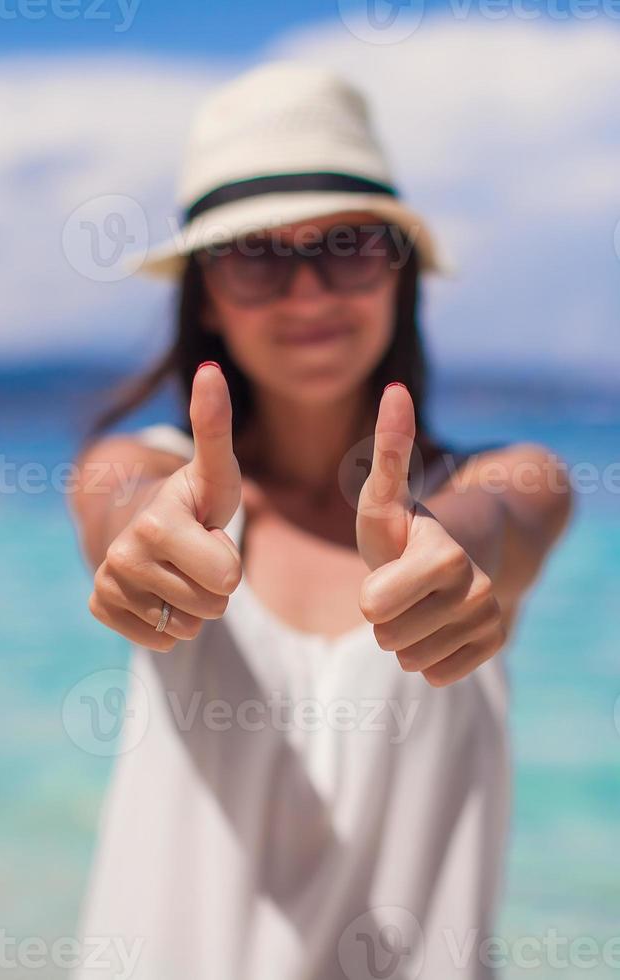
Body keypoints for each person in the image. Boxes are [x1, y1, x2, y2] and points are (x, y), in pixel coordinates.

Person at [69, 61, 573, 980]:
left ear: (398, 271)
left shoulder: (514, 480)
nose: (307, 294)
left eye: (346, 246)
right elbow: (119, 503)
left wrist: (451, 543)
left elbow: (502, 518)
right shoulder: (142, 472)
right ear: (208, 295)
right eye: (256, 254)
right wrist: (139, 540)